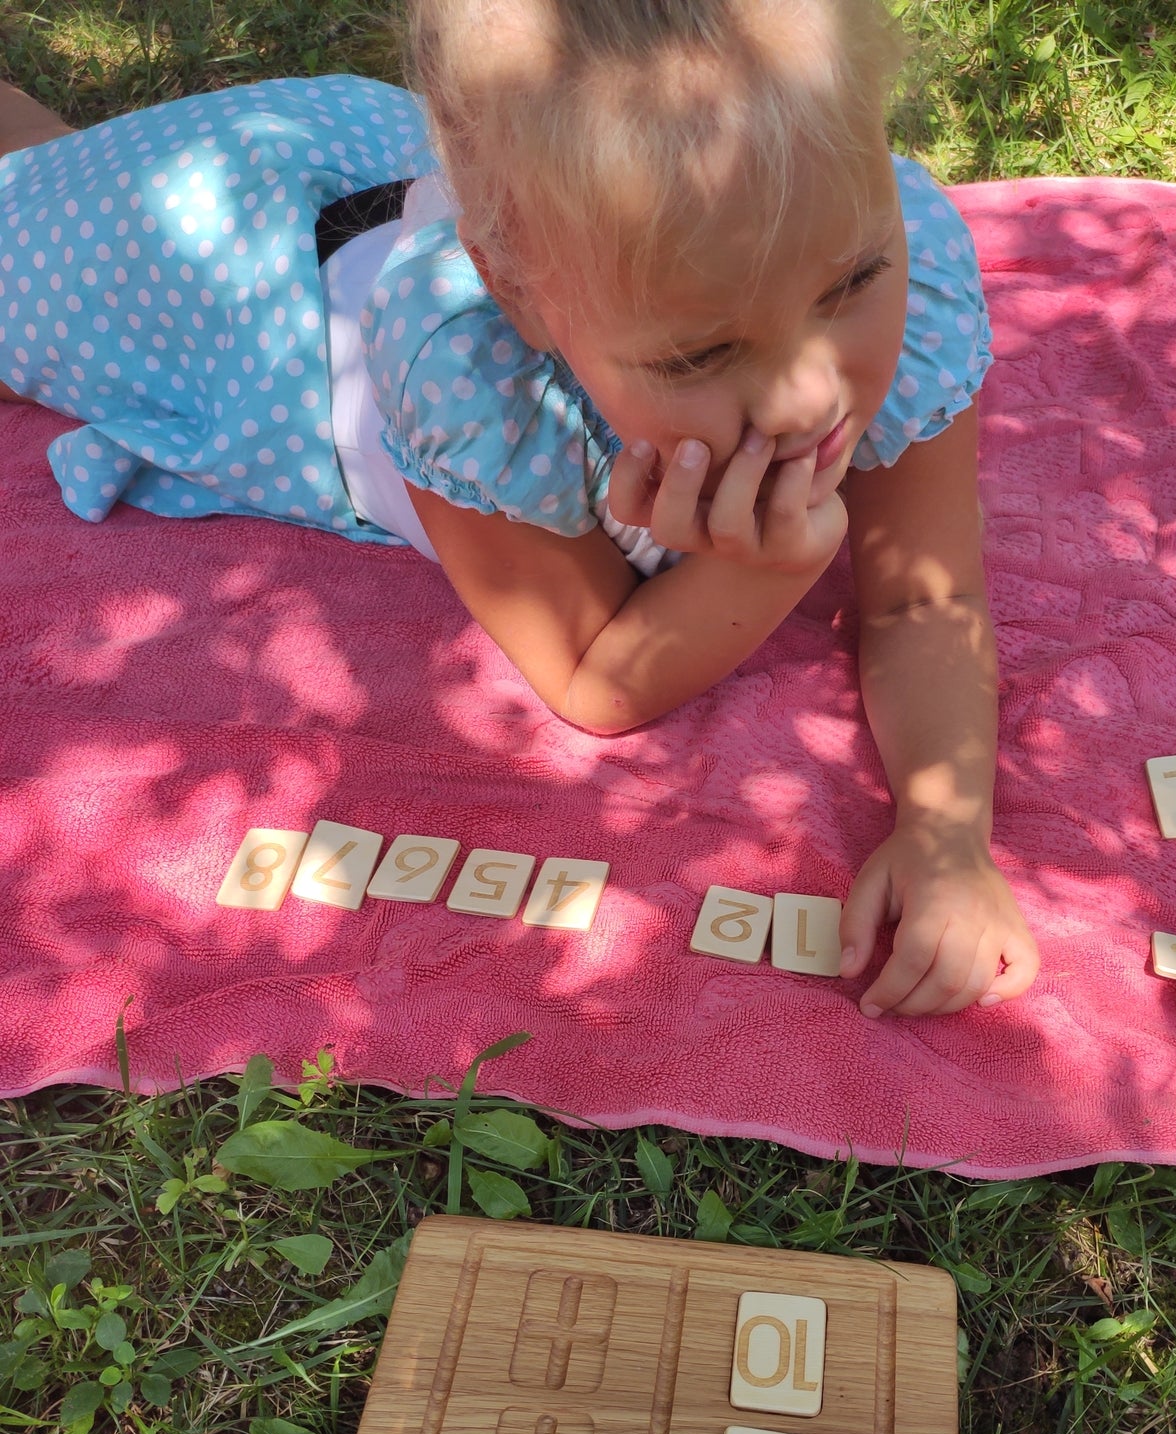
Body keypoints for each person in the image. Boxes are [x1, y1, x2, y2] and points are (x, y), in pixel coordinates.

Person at [0, 0, 1039, 1019]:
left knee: (43, 159)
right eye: (699, 354)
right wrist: (772, 564)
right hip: (206, 284)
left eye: (852, 278)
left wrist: (945, 840)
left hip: (366, 160)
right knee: (22, 199)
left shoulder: (901, 265)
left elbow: (927, 603)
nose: (807, 393)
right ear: (521, 299)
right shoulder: (462, 361)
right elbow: (597, 679)